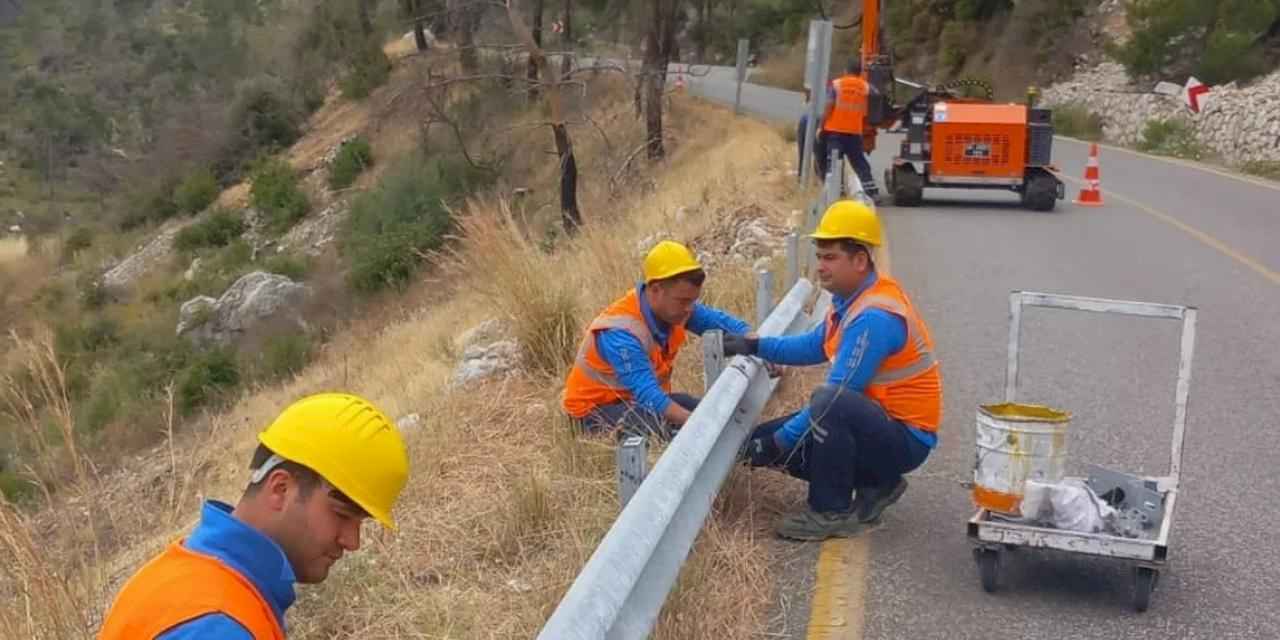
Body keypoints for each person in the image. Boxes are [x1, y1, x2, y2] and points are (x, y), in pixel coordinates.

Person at [99, 393, 411, 639]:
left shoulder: (195, 574)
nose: (352, 541)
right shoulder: (216, 624)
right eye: (342, 515)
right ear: (280, 489)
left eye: (360, 523)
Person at [722, 201, 942, 540]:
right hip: (877, 424)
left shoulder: (873, 318)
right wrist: (756, 346)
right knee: (760, 441)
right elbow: (813, 346)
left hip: (906, 439)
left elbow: (838, 396)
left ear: (859, 260)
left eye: (830, 258)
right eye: (819, 256)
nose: (820, 267)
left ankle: (830, 511)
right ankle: (877, 482)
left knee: (823, 406)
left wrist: (780, 443)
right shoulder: (850, 300)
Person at [561, 240, 753, 440]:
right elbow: (648, 396)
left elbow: (719, 322)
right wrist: (700, 425)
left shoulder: (675, 308)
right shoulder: (621, 333)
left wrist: (756, 343)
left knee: (694, 406)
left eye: (693, 300)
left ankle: (749, 444)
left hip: (634, 404)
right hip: (592, 415)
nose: (690, 308)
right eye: (683, 301)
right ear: (655, 289)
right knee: (656, 425)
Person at [818, 58, 880, 199]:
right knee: (859, 162)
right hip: (854, 132)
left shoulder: (836, 84)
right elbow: (876, 94)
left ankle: (836, 192)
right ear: (859, 73)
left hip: (835, 131)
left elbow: (829, 106)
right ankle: (872, 192)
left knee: (834, 161)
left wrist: (821, 126)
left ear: (845, 71)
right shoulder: (864, 86)